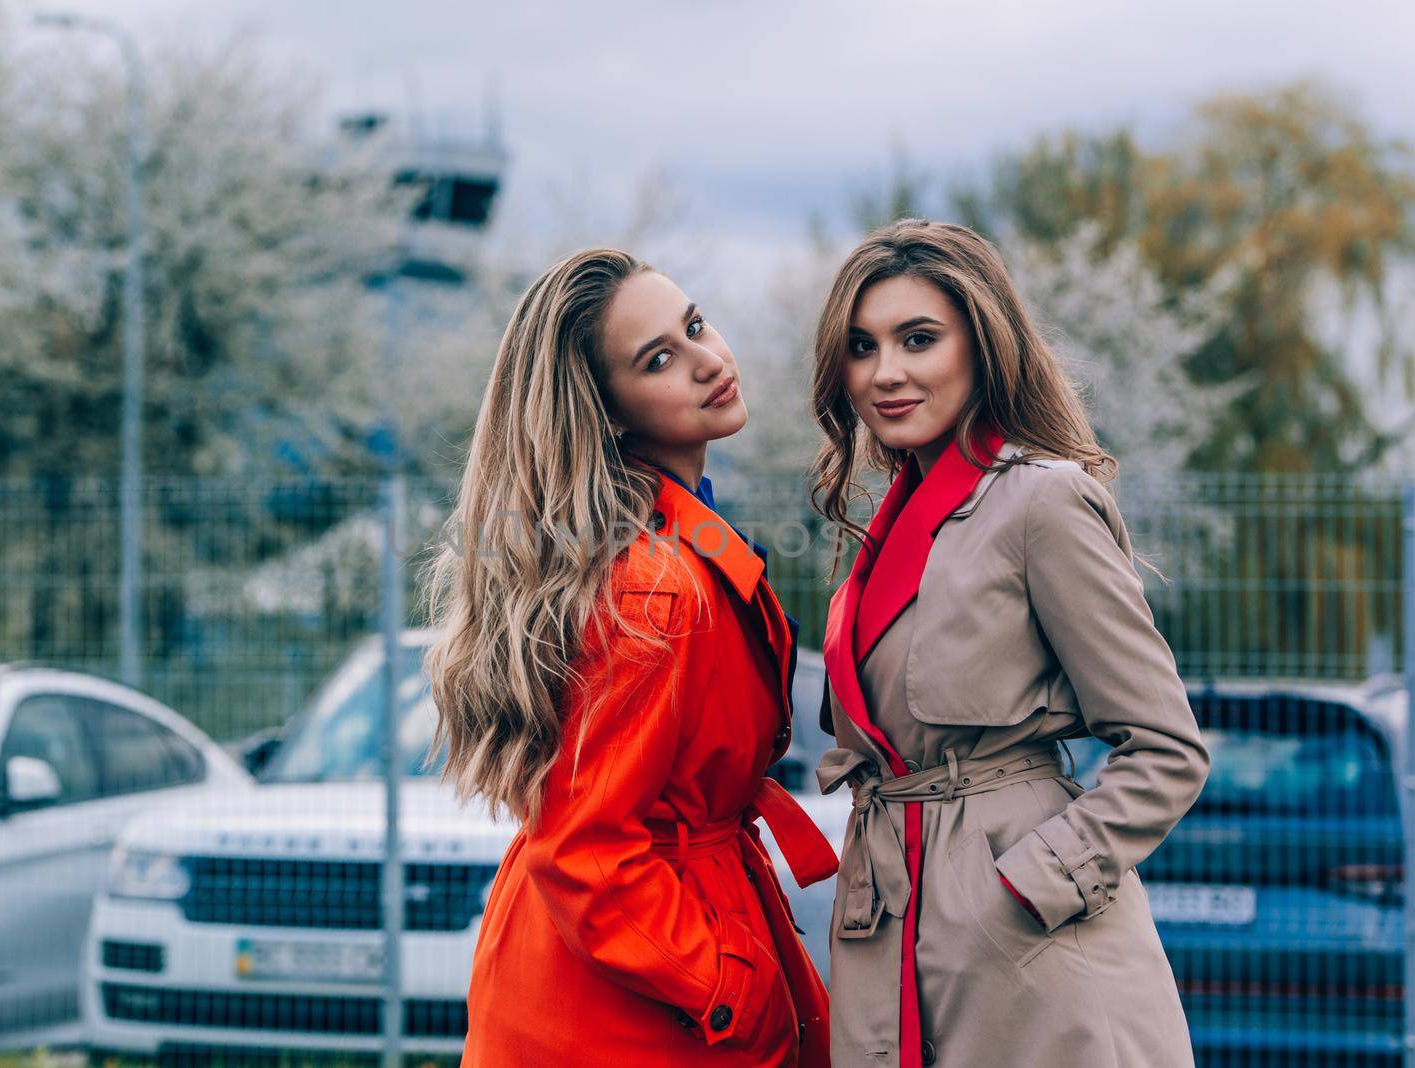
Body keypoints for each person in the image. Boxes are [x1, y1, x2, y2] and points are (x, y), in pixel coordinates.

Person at [807, 219, 1210, 1067]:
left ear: (982, 345)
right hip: (892, 918)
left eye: (919, 339)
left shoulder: (1043, 502)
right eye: (862, 345)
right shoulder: (878, 536)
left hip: (1031, 950)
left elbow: (1167, 748)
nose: (887, 372)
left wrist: (1030, 885)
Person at [427, 248, 838, 1067]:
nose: (708, 360)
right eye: (659, 359)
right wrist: (730, 988)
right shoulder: (649, 586)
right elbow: (586, 851)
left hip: (642, 956)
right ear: (608, 412)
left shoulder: (676, 540)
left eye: (694, 326)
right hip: (633, 997)